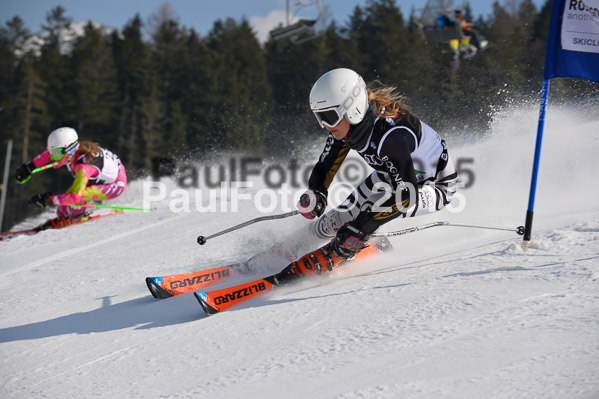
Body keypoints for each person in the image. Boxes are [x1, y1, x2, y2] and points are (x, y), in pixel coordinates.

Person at [275, 68, 458, 282]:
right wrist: (317, 192)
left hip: (432, 187)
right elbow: (326, 166)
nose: (325, 125)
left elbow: (407, 195)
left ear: (351, 109)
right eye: (319, 117)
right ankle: (293, 247)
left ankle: (359, 247)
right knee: (335, 219)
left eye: (328, 117)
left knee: (367, 212)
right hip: (389, 178)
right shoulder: (345, 128)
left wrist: (361, 228)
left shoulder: (391, 137)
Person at [15, 127, 127, 220]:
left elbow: (75, 197)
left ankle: (77, 218)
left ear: (69, 150)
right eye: (52, 152)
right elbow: (49, 154)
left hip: (116, 185)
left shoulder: (83, 167)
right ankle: (73, 216)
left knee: (76, 200)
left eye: (56, 154)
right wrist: (29, 167)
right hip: (101, 176)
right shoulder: (71, 152)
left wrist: (48, 200)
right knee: (62, 210)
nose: (53, 157)